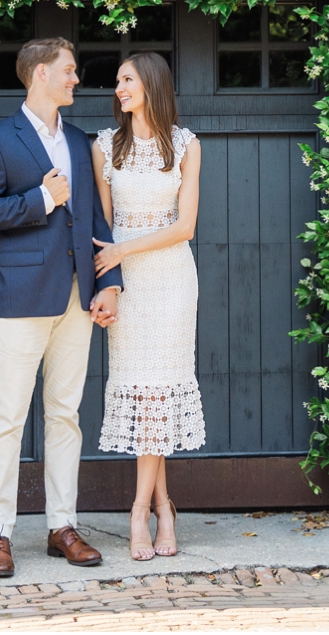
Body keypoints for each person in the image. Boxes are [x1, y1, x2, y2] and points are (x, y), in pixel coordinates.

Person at [0, 37, 123, 580]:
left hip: (78, 299)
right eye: (69, 71)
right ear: (39, 76)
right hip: (19, 298)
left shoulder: (80, 142)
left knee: (65, 416)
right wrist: (42, 199)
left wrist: (112, 283)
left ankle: (62, 526)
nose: (77, 79)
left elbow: (99, 220)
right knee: (7, 418)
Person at [92, 51, 205, 561]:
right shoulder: (104, 148)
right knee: (143, 394)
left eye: (128, 79)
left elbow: (185, 228)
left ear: (152, 84)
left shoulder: (185, 144)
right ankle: (164, 507)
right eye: (117, 81)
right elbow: (103, 227)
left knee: (160, 393)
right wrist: (109, 281)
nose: (119, 88)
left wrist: (122, 248)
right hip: (128, 287)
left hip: (173, 281)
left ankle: (139, 510)